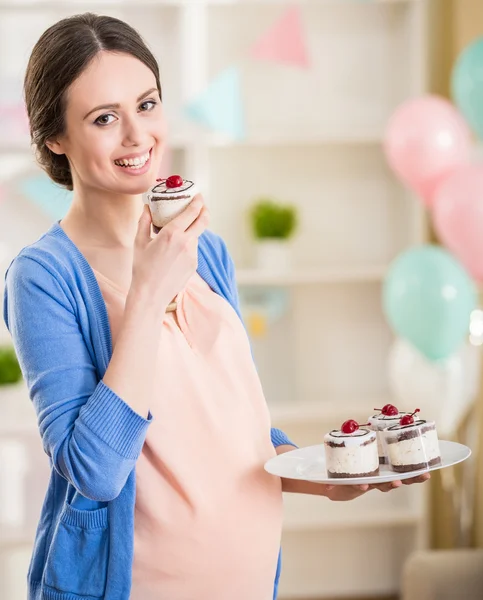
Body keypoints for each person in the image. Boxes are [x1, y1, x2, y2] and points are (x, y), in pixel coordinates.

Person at [2, 13, 429, 600]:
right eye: (104, 118)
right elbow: (94, 472)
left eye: (147, 104)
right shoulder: (44, 277)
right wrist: (148, 291)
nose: (137, 135)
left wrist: (326, 479)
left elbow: (234, 431)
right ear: (55, 137)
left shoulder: (208, 251)